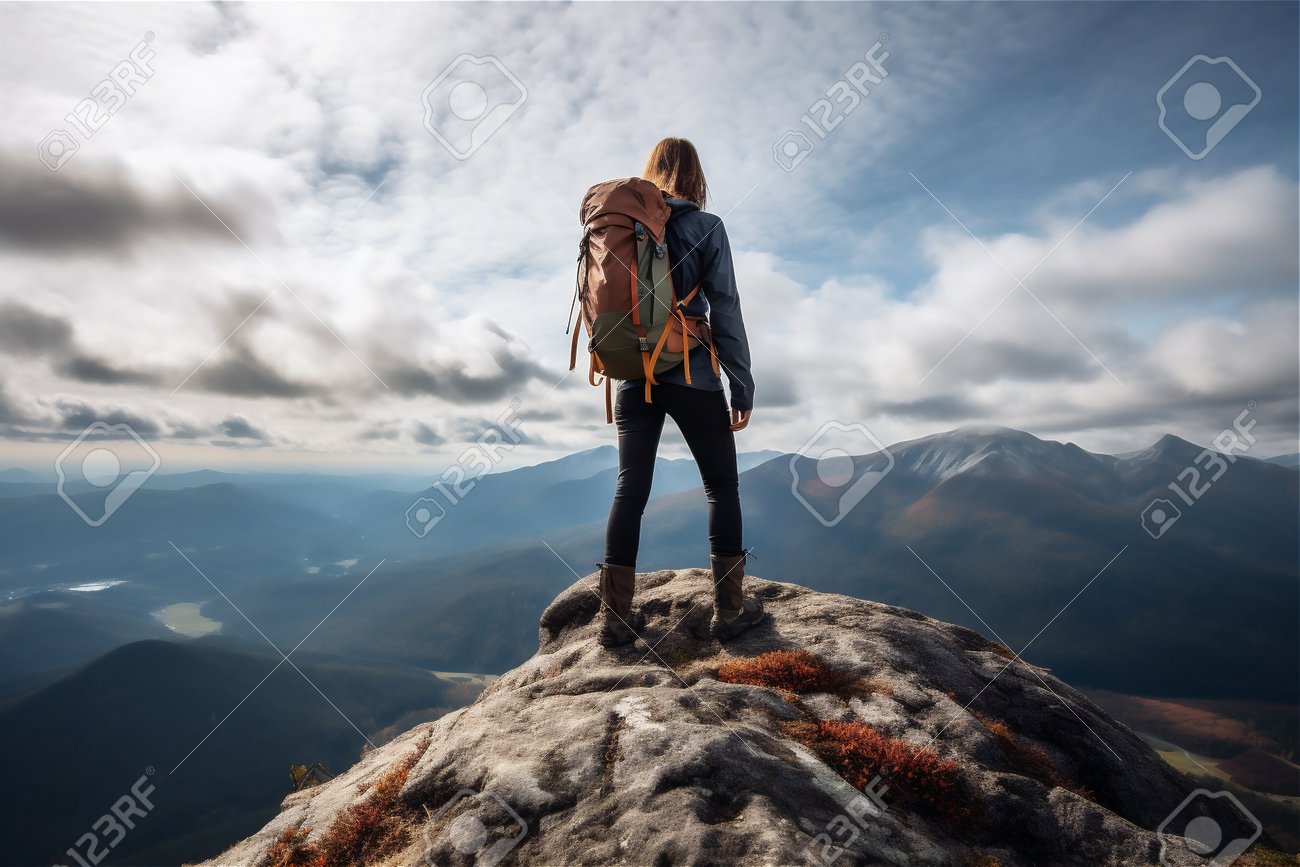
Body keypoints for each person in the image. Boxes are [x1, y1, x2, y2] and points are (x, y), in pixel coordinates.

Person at [597, 137, 766, 647]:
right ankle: (731, 613)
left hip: (632, 376)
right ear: (697, 177)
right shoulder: (706, 226)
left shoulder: (622, 225)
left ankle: (615, 619)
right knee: (721, 487)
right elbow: (727, 308)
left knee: (630, 490)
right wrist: (742, 381)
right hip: (691, 373)